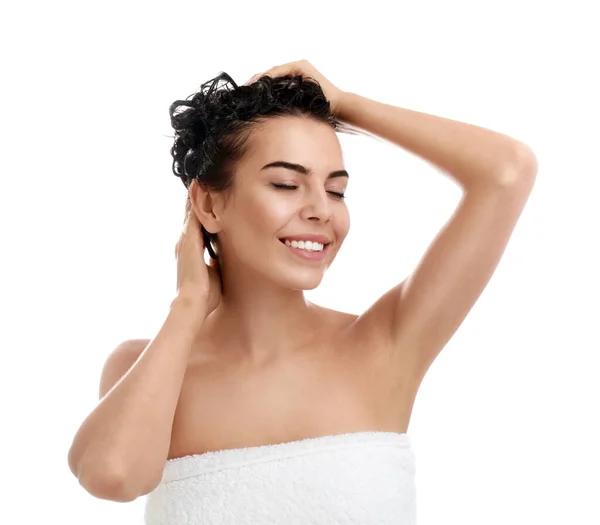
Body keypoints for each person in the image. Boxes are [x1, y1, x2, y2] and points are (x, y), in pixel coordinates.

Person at [67, 59, 537, 524]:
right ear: (208, 203)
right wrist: (187, 305)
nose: (320, 210)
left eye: (336, 191)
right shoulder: (142, 368)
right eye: (286, 183)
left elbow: (507, 171)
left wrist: (346, 104)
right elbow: (112, 475)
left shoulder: (383, 347)